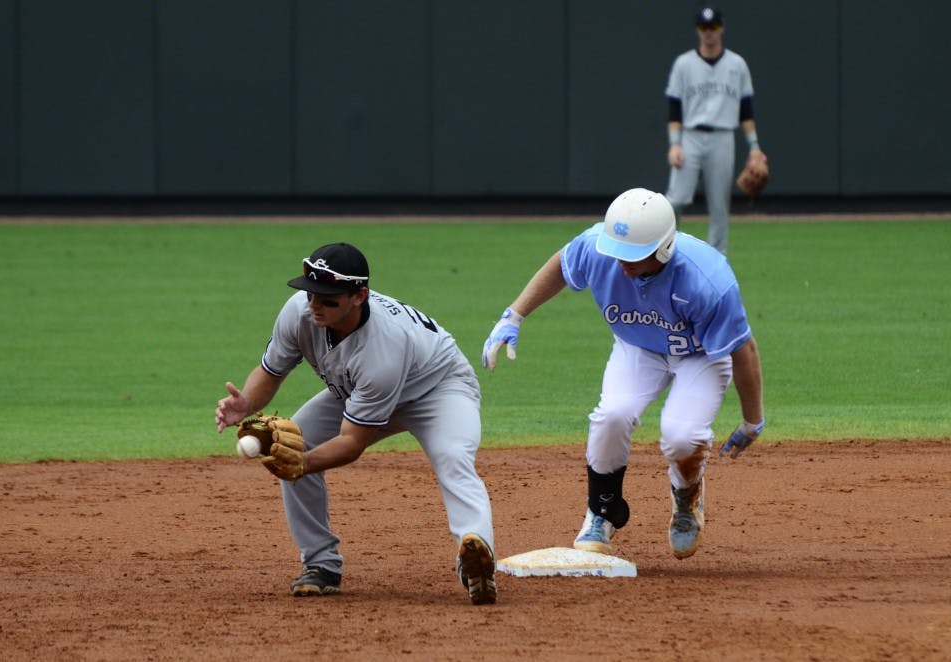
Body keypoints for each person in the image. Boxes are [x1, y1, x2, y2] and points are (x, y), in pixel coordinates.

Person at [481, 188, 764, 560]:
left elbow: (744, 349)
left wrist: (752, 420)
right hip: (638, 347)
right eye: (617, 251)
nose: (621, 262)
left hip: (699, 357)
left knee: (682, 437)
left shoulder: (707, 280)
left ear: (663, 249)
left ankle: (686, 495)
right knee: (611, 416)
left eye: (633, 254)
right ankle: (602, 511)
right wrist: (514, 315)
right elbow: (563, 264)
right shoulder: (599, 249)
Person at [215, 242, 497, 605]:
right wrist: (247, 403)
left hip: (438, 389)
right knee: (296, 438)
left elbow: (352, 442)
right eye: (311, 294)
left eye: (328, 299)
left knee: (452, 455)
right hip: (361, 390)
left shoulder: (384, 347)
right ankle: (321, 564)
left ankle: (476, 556)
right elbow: (271, 372)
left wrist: (302, 464)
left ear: (359, 296)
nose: (315, 305)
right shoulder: (299, 313)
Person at [664, 6, 766, 254]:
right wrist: (674, 144)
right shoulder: (684, 64)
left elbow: (746, 110)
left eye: (713, 26)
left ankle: (716, 260)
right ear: (697, 30)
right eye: (704, 27)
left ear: (722, 28)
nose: (709, 32)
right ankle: (664, 252)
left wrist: (754, 147)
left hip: (723, 137)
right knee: (675, 199)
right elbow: (674, 109)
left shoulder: (737, 64)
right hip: (690, 136)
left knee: (720, 205)